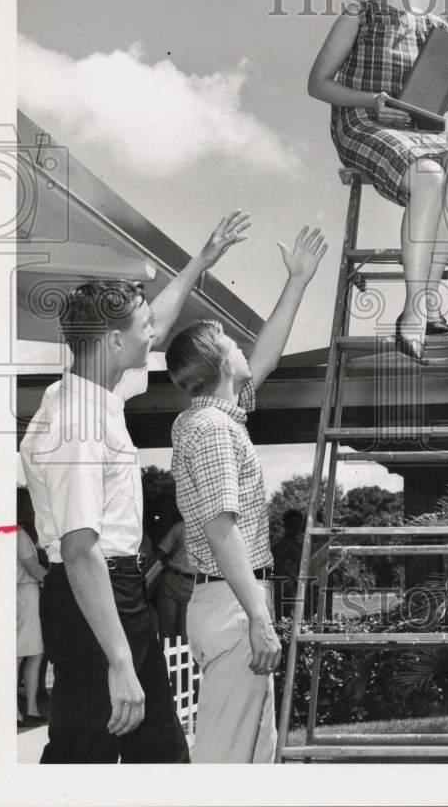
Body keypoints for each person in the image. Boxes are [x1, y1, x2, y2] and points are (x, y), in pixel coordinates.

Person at [19, 209, 251, 763]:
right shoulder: (74, 421)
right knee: (85, 757)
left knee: (163, 756)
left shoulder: (99, 392)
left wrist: (201, 260)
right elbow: (80, 552)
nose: (154, 334)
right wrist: (119, 660)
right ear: (113, 340)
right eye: (142, 328)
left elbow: (157, 321)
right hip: (93, 597)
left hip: (119, 597)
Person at [166, 225, 326, 763]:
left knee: (252, 757)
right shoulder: (211, 428)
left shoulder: (214, 414)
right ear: (219, 365)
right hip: (235, 603)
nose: (243, 346)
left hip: (233, 600)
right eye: (233, 342)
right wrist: (258, 618)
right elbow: (220, 526)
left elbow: (267, 360)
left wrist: (297, 281)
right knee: (224, 764)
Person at [308, 0, 448, 362]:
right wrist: (371, 102)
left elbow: (428, 106)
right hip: (360, 121)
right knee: (428, 175)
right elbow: (318, 84)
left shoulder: (434, 28)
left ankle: (423, 300)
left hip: (411, 129)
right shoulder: (358, 14)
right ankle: (415, 312)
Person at [16, 489, 48, 727]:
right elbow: (32, 567)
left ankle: (22, 709)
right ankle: (29, 708)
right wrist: (55, 581)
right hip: (26, 593)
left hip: (10, 594)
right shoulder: (18, 534)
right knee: (32, 653)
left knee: (17, 654)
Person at [152, 507, 196, 644]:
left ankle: (185, 664)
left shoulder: (209, 529)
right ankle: (168, 664)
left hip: (192, 584)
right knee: (168, 630)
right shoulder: (180, 527)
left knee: (185, 632)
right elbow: (161, 552)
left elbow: (160, 553)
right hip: (173, 580)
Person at [271, 509, 304, 620]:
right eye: (293, 524)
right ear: (286, 524)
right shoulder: (280, 547)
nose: (297, 527)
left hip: (297, 588)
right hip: (284, 590)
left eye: (298, 524)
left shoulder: (302, 546)